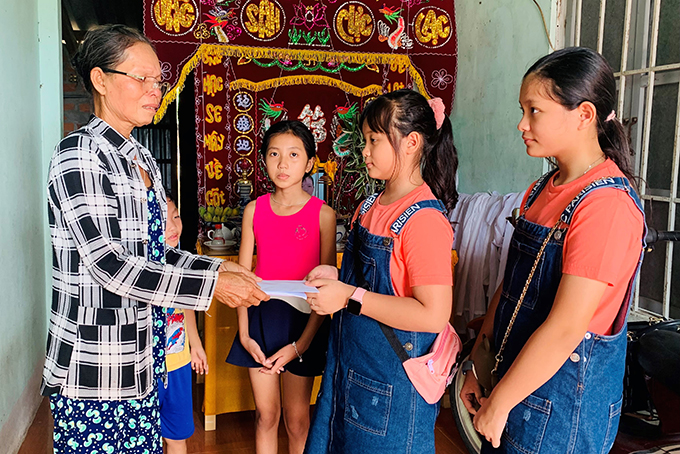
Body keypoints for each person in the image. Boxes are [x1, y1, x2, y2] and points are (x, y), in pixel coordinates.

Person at [43, 24, 268, 454]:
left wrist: (218, 266)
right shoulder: (79, 156)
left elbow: (156, 254)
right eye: (140, 78)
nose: (155, 89)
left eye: (158, 79)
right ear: (100, 80)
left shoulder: (140, 156)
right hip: (96, 366)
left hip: (144, 359)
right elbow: (110, 265)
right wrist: (213, 283)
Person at [460, 47, 646, 453]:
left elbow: (565, 329)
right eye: (522, 109)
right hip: (516, 383)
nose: (521, 123)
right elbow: (511, 290)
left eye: (534, 110)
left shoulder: (606, 206)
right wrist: (480, 362)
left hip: (564, 407)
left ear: (583, 115)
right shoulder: (541, 190)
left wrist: (502, 400)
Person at [303, 89, 459, 454]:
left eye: (374, 140)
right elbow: (363, 281)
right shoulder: (369, 205)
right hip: (348, 372)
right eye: (365, 141)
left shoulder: (423, 220)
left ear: (411, 143)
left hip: (391, 388)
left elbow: (433, 314)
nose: (364, 151)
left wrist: (348, 296)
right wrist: (336, 276)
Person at [226, 120, 337, 454]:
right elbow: (243, 278)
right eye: (274, 154)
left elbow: (325, 287)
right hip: (260, 317)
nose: (283, 163)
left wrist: (300, 345)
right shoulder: (253, 210)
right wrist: (245, 335)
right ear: (264, 160)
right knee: (266, 416)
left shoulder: (324, 215)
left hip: (306, 322)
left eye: (293, 154)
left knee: (298, 420)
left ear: (309, 163)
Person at [159, 196, 209, 453]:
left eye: (175, 216)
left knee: (177, 436)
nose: (172, 226)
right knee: (146, 437)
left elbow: (185, 303)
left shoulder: (182, 260)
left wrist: (196, 345)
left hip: (178, 362)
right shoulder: (139, 268)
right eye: (162, 219)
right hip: (148, 370)